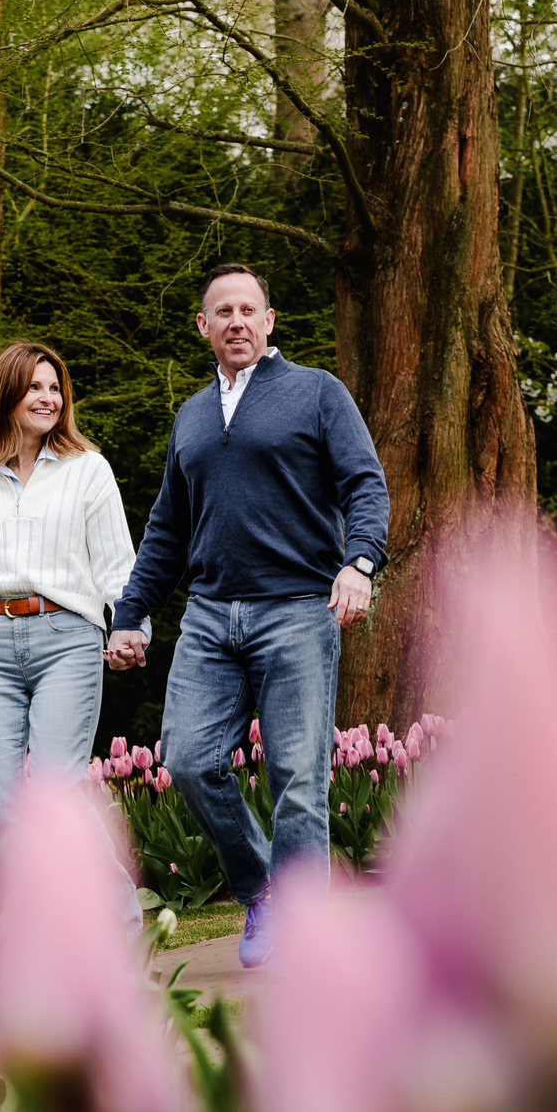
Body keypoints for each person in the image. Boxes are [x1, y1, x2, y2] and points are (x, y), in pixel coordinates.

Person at [106, 263, 389, 967]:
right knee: (190, 759)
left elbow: (365, 484)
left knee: (298, 778)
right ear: (202, 328)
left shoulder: (317, 393)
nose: (236, 321)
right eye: (221, 311)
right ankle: (262, 889)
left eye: (248, 309)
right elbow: (168, 528)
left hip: (297, 609)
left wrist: (359, 564)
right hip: (208, 618)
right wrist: (132, 613)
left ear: (270, 321)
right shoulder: (192, 415)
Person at [0, 341, 150, 884]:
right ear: (6, 393)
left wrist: (132, 628)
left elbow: (117, 567)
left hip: (67, 641)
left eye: (55, 388)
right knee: (5, 811)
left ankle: (125, 930)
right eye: (34, 386)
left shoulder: (88, 471)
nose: (47, 397)